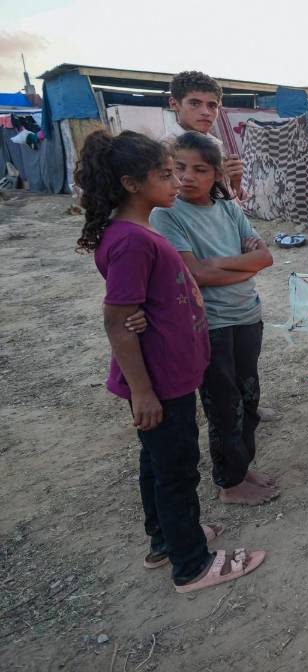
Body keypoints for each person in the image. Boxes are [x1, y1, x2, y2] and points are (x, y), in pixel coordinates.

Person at [75, 129, 265, 593]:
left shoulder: (139, 232)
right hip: (161, 379)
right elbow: (118, 318)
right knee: (177, 467)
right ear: (131, 183)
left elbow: (143, 303)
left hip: (171, 370)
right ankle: (192, 565)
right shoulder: (134, 240)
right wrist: (142, 390)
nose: (177, 182)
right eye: (166, 174)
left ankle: (167, 539)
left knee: (158, 462)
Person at [150, 131, 278, 506]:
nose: (187, 176)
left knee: (248, 397)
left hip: (247, 317)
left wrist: (220, 263)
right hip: (212, 325)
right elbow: (195, 274)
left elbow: (265, 257)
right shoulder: (167, 214)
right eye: (179, 168)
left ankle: (242, 466)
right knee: (224, 405)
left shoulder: (228, 209)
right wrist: (243, 265)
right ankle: (229, 483)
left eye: (200, 169)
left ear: (217, 174)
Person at [165, 70, 244, 200]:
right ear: (174, 104)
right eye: (195, 104)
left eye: (212, 105)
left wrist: (235, 182)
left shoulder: (216, 145)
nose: (205, 112)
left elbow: (230, 198)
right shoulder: (166, 148)